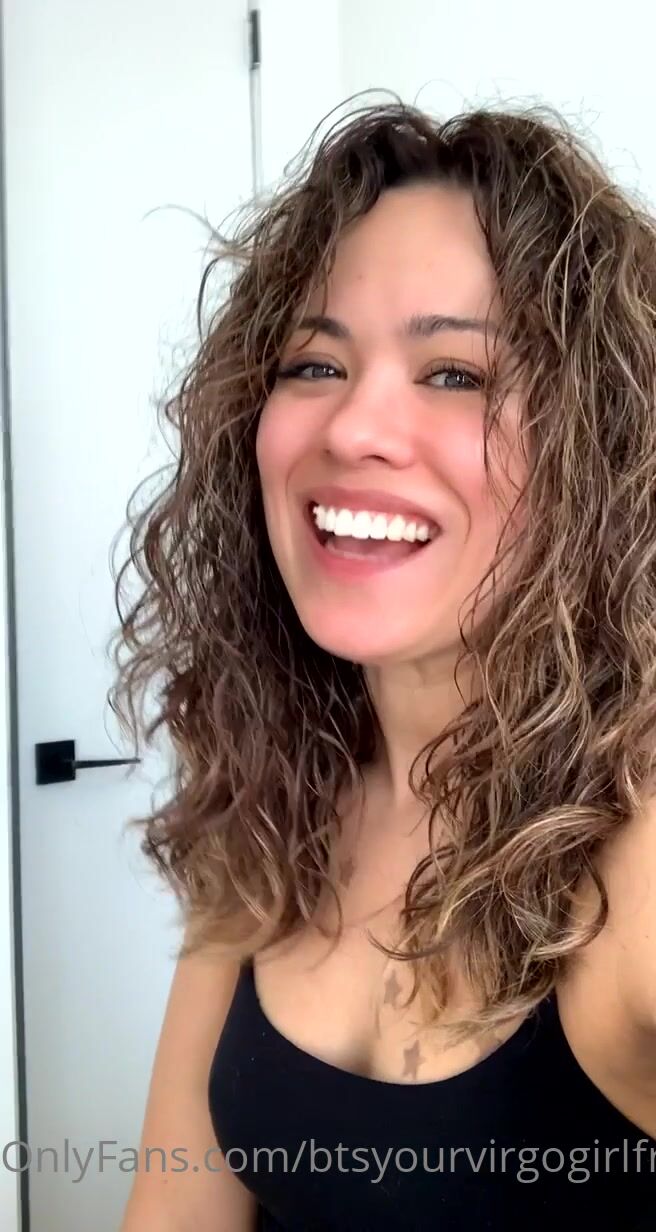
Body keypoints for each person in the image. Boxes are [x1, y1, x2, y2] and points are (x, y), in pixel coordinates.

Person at [115, 98, 656, 1232]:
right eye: (314, 362)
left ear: (599, 444)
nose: (353, 427)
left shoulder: (637, 843)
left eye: (455, 373)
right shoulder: (273, 791)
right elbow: (172, 1204)